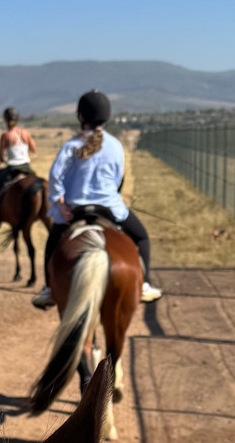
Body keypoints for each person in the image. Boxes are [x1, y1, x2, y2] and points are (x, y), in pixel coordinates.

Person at [32, 90, 162, 309]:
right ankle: (145, 283)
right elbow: (119, 178)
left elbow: (55, 175)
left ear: (80, 117)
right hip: (109, 208)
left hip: (75, 209)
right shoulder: (115, 146)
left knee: (52, 243)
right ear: (106, 117)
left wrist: (61, 204)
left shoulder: (71, 146)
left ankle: (49, 289)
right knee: (142, 238)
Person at [0, 107, 37, 223]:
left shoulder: (6, 135)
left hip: (13, 168)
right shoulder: (25, 133)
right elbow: (33, 149)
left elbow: (1, 156)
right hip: (27, 167)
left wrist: (3, 159)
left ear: (5, 120)